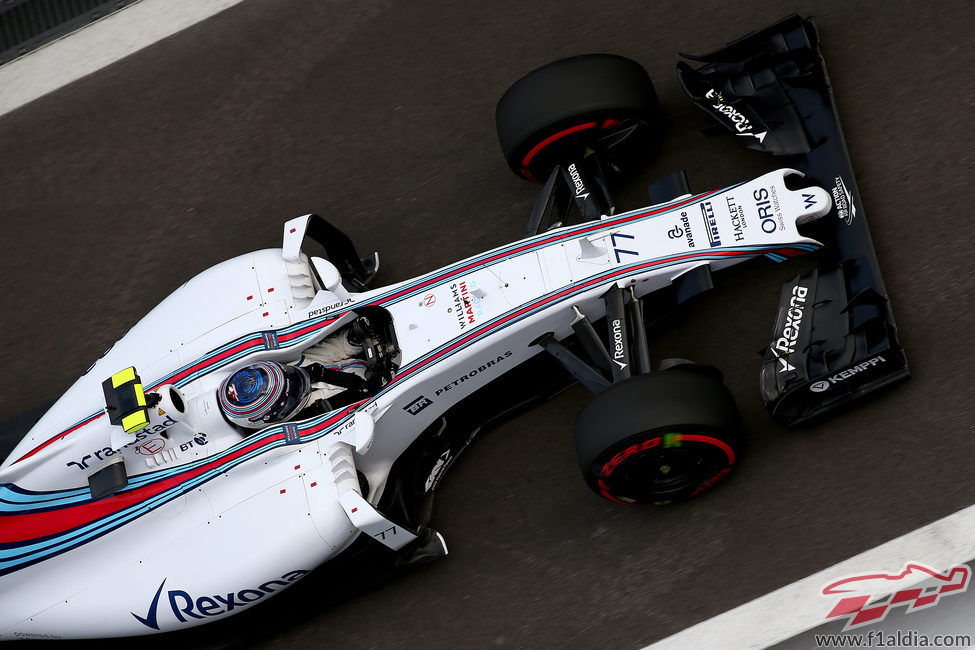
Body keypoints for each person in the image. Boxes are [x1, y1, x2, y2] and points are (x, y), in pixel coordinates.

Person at [218, 324, 370, 429]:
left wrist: (353, 339)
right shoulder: (312, 417)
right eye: (293, 390)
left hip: (367, 360)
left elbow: (334, 349)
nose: (298, 381)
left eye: (288, 376)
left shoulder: (294, 370)